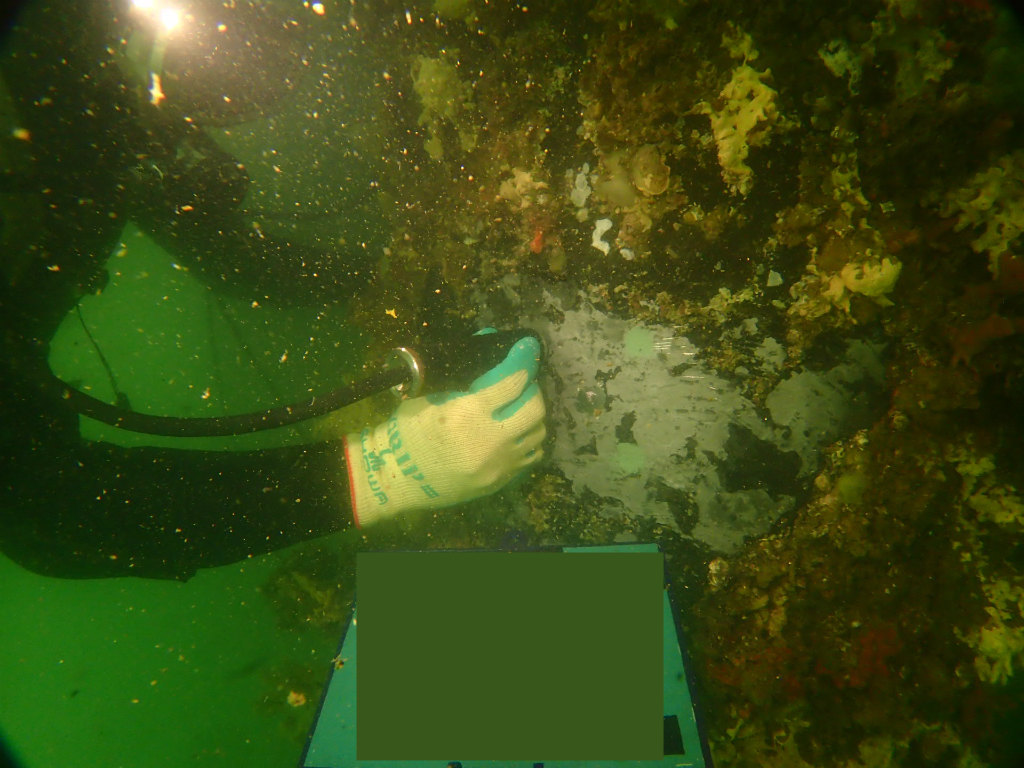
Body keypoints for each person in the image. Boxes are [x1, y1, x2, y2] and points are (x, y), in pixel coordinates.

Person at [0, 0, 546, 580]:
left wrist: (387, 275)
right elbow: (42, 510)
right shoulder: (64, 85)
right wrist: (379, 473)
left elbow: (232, 258)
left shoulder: (98, 106)